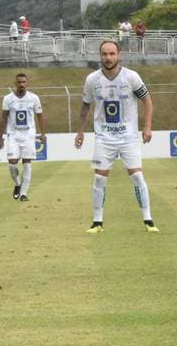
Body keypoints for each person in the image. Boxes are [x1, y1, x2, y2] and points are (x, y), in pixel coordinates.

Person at [74, 40, 159, 234]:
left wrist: (147, 127)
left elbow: (147, 100)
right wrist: (80, 131)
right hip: (103, 138)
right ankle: (97, 222)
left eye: (112, 53)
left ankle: (148, 220)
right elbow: (85, 105)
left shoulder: (131, 77)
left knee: (137, 176)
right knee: (99, 179)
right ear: (100, 55)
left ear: (118, 54)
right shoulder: (92, 80)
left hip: (128, 137)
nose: (108, 57)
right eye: (104, 54)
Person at [0, 73, 46, 201]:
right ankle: (18, 184)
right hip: (13, 135)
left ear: (27, 83)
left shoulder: (34, 98)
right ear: (15, 83)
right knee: (12, 163)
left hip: (28, 135)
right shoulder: (8, 99)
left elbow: (40, 116)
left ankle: (24, 193)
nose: (21, 84)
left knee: (27, 163)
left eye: (24, 82)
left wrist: (43, 133)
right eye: (19, 82)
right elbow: (3, 118)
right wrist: (0, 137)